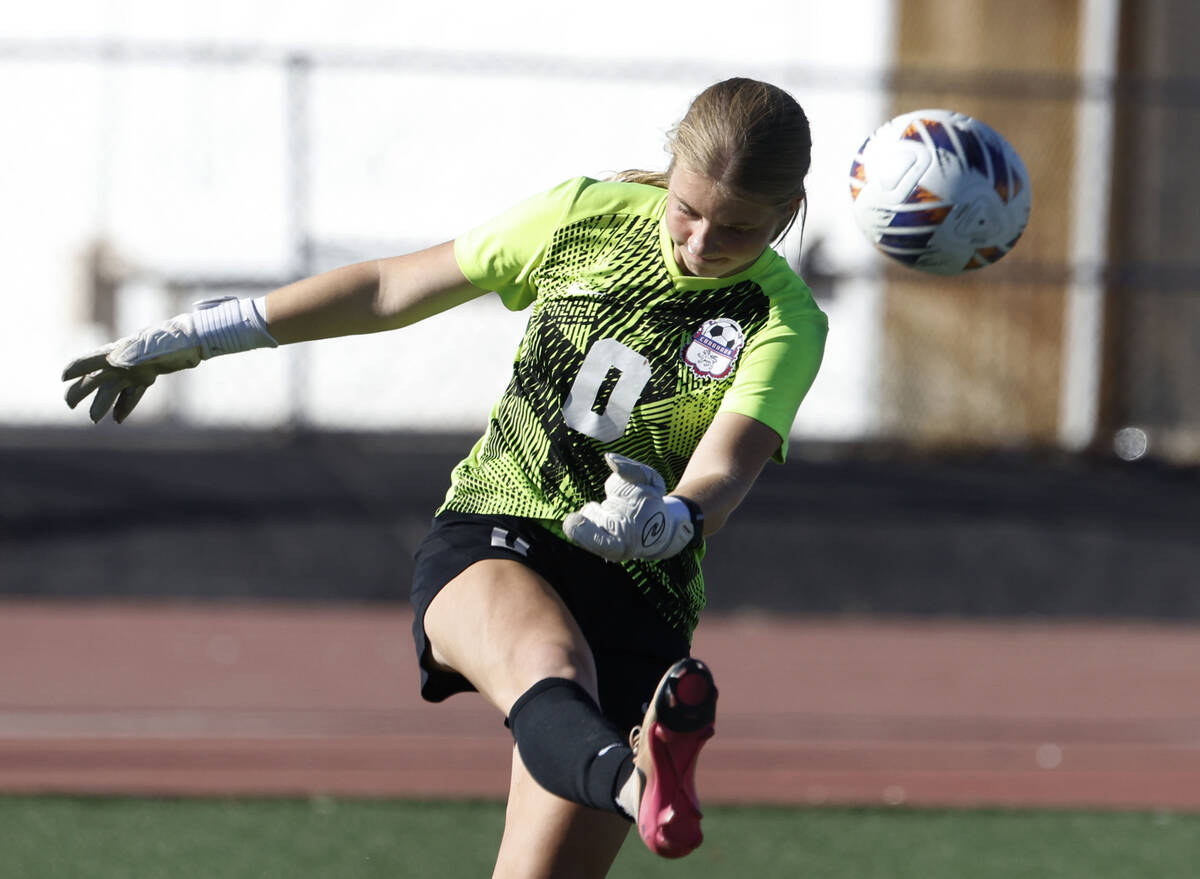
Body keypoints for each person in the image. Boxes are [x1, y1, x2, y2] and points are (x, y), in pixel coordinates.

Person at [62, 76, 827, 878]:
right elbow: (390, 287)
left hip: (639, 587)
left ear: (786, 213)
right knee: (550, 667)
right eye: (688, 209)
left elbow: (726, 469)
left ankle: (641, 781)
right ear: (668, 171)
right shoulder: (586, 215)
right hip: (504, 530)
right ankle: (642, 789)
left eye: (738, 229)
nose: (702, 242)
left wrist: (666, 520)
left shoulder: (783, 321)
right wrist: (204, 332)